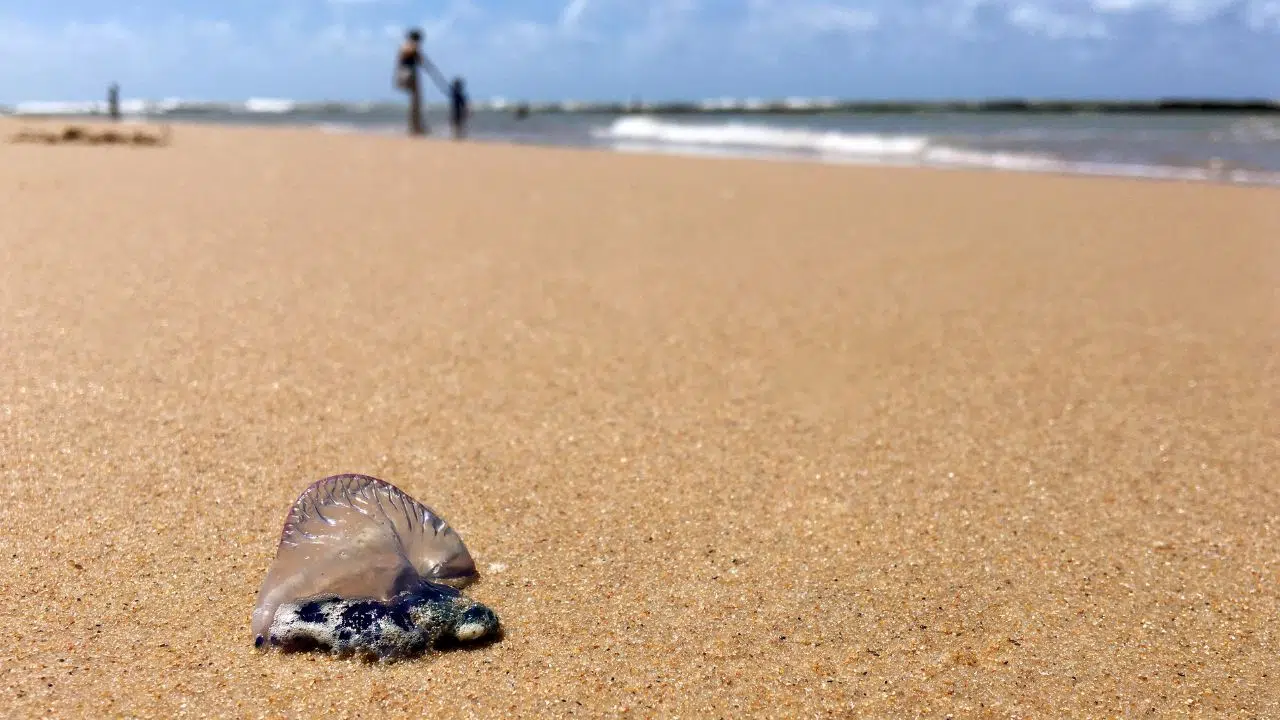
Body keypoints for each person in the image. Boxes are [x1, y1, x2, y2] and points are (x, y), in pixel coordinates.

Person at [394, 29, 447, 136]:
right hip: (408, 75)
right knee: (415, 102)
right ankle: (414, 128)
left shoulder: (412, 48)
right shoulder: (408, 45)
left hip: (411, 75)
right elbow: (407, 52)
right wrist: (416, 50)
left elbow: (421, 61)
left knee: (416, 102)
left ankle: (416, 127)